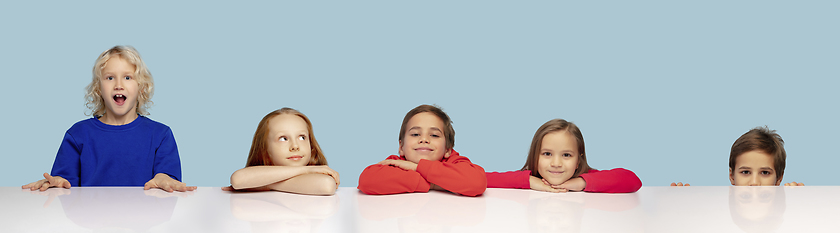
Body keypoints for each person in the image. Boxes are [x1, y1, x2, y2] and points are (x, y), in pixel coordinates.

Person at [22, 45, 194, 192]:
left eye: (127, 77)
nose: (119, 84)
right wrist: (57, 183)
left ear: (141, 87)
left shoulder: (161, 135)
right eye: (110, 78)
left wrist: (163, 178)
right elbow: (64, 183)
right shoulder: (78, 134)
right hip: (89, 223)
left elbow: (167, 177)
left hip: (143, 223)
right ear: (98, 89)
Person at [357, 104, 486, 196]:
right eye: (415, 134)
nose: (424, 139)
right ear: (401, 147)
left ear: (447, 149)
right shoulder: (397, 163)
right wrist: (435, 184)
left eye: (434, 135)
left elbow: (477, 182)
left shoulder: (453, 161)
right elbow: (367, 181)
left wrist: (417, 168)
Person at [486, 119, 641, 193]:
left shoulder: (587, 178)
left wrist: (581, 183)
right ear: (535, 155)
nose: (556, 163)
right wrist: (529, 181)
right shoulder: (527, 178)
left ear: (578, 159)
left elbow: (632, 180)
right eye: (547, 154)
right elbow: (484, 178)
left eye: (566, 155)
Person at [224, 108, 339, 195]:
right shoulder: (311, 170)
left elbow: (327, 185)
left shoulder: (318, 177)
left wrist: (260, 184)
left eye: (302, 137)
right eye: (283, 138)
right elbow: (238, 179)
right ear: (265, 149)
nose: (295, 146)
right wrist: (307, 169)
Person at [671, 126, 804, 186]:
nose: (754, 183)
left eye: (765, 172)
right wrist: (680, 208)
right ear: (732, 176)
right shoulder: (718, 216)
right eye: (745, 172)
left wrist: (800, 205)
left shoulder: (788, 216)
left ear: (779, 178)